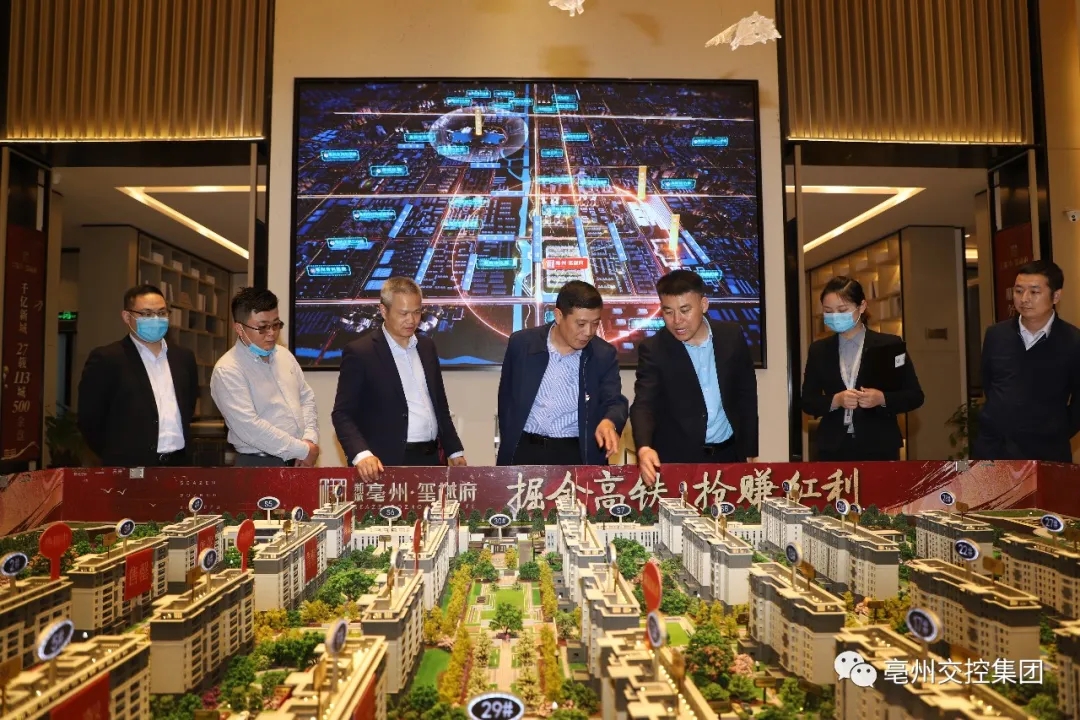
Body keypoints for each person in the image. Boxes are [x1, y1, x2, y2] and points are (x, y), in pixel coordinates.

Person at [630, 269, 758, 485]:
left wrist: (751, 449)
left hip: (729, 454)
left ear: (703, 305)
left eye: (685, 310)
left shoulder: (731, 336)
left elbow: (746, 394)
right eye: (668, 312)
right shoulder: (654, 349)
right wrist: (644, 447)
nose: (677, 321)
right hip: (678, 459)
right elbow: (644, 404)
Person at [332, 277, 466, 480]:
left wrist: (454, 451)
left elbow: (439, 404)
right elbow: (342, 414)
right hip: (385, 462)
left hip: (432, 458)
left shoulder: (427, 347)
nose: (411, 320)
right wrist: (361, 455)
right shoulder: (361, 352)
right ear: (383, 311)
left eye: (417, 312)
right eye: (403, 313)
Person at [497, 281, 628, 466]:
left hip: (574, 453)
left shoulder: (603, 355)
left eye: (595, 324)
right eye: (581, 324)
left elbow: (614, 400)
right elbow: (506, 400)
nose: (588, 332)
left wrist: (609, 421)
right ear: (558, 316)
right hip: (524, 449)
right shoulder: (522, 344)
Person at [801, 276, 924, 461]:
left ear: (862, 306)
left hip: (880, 446)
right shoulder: (819, 350)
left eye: (842, 310)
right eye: (828, 311)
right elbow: (808, 401)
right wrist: (836, 400)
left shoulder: (889, 345)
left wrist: (882, 398)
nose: (835, 316)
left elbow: (914, 396)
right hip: (833, 448)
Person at [77, 284, 199, 467]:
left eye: (162, 313)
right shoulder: (107, 359)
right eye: (147, 314)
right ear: (127, 317)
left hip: (178, 463)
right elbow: (90, 419)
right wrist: (117, 455)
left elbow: (188, 406)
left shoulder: (183, 358)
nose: (156, 319)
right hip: (129, 467)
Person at [974, 260, 1080, 462]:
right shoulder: (996, 335)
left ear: (1056, 296)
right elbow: (989, 384)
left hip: (1046, 453)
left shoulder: (1073, 341)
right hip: (994, 450)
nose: (1024, 299)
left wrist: (1055, 431)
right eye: (1018, 291)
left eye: (1034, 292)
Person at [211, 288, 320, 467]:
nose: (271, 333)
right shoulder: (228, 370)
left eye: (276, 325)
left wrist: (309, 439)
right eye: (262, 327)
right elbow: (249, 427)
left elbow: (306, 398)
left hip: (298, 458)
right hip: (258, 463)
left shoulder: (285, 356)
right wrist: (301, 450)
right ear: (239, 328)